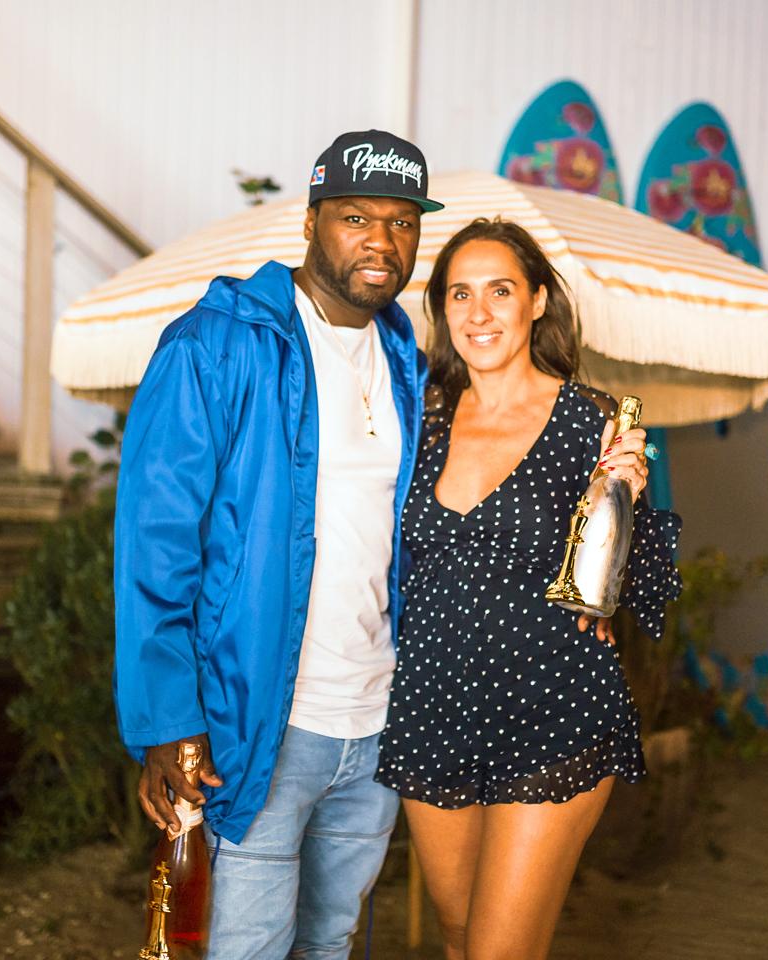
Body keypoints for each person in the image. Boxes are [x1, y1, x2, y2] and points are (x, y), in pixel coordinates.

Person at [113, 129, 444, 959]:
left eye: (402, 222)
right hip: (255, 725)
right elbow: (156, 543)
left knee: (327, 945)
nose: (381, 241)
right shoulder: (219, 343)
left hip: (373, 726)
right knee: (245, 948)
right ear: (310, 222)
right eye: (356, 217)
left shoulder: (405, 354)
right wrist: (165, 720)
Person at [375, 218, 682, 960]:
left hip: (551, 707)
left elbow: (638, 589)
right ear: (443, 311)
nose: (479, 313)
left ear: (537, 301)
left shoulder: (592, 422)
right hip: (431, 706)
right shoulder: (425, 418)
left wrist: (630, 495)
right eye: (460, 295)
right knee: (458, 936)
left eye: (500, 291)